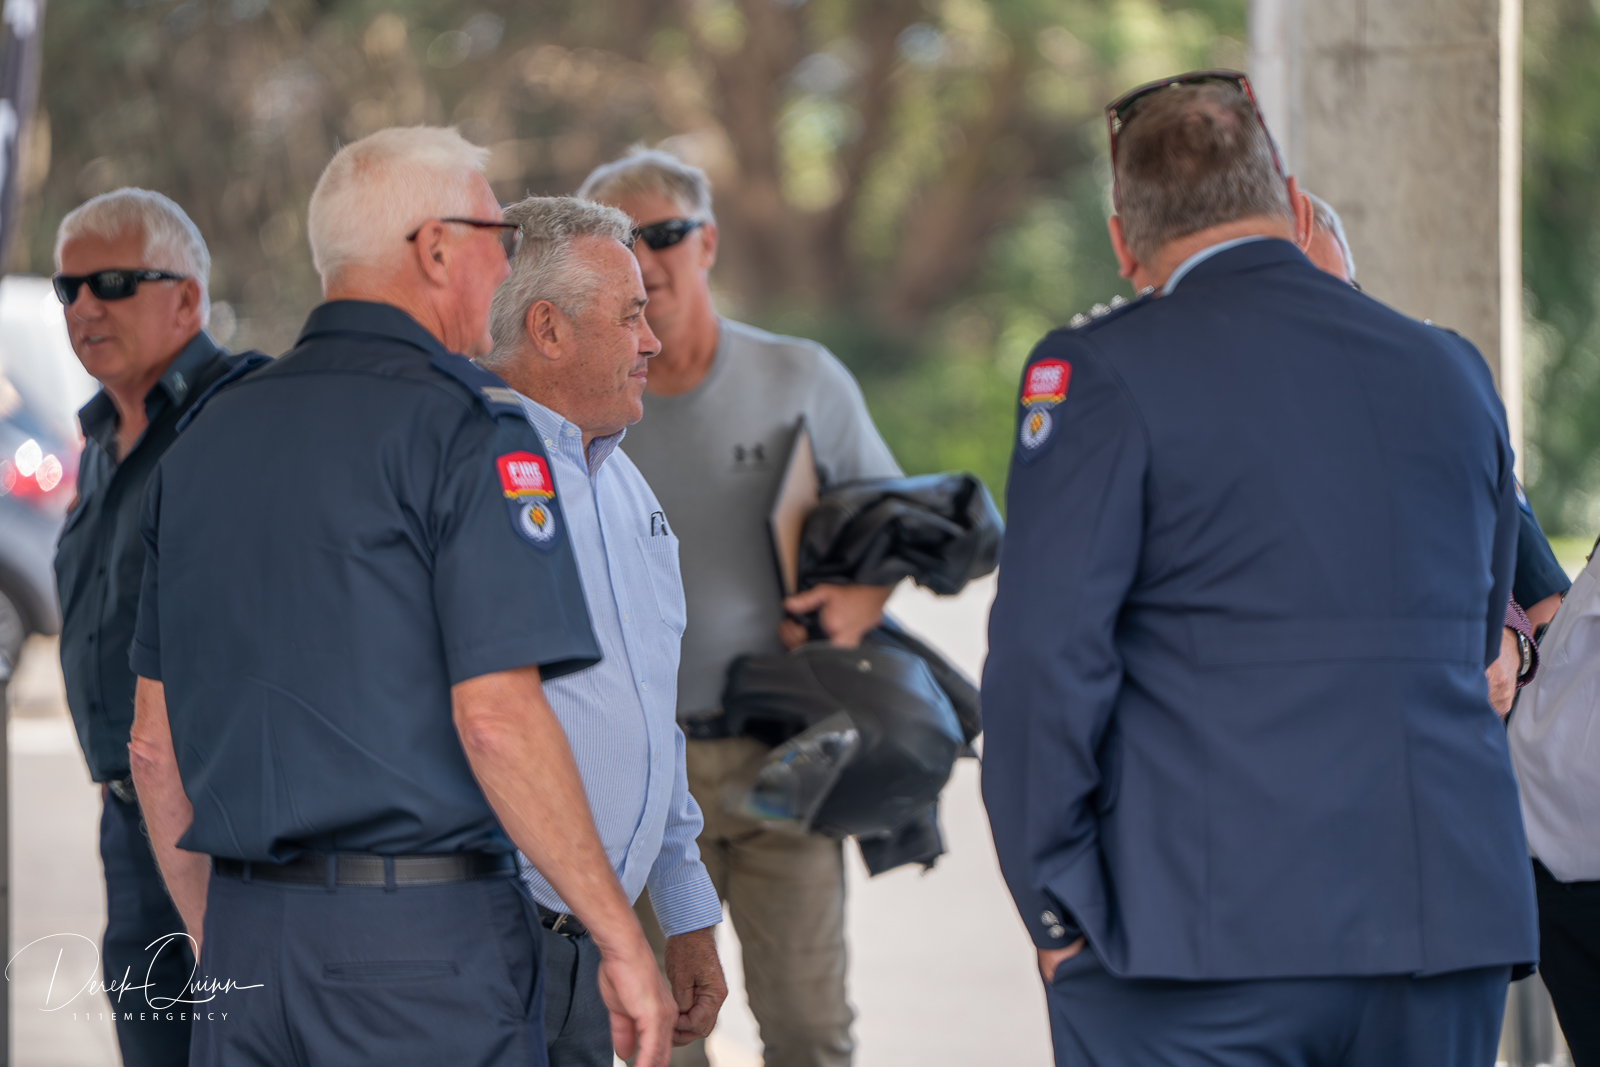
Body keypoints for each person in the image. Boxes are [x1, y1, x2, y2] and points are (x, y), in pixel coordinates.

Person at [982, 72, 1537, 1065]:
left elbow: (1042, 663)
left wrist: (1057, 911)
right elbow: (1479, 622)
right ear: (1287, 199)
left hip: (1204, 943)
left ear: (1123, 241)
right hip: (1443, 920)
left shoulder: (1099, 371)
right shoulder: (1450, 368)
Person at [126, 127, 676, 1067]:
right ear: (435, 249)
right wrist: (619, 935)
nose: (505, 262)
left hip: (247, 939)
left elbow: (152, 744)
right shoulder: (471, 430)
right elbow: (498, 720)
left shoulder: (205, 439)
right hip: (420, 953)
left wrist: (225, 941)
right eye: (496, 235)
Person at [576, 149, 902, 1067]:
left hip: (780, 754)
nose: (644, 258)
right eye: (621, 240)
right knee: (661, 1040)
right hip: (637, 774)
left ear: (708, 241)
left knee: (808, 1030)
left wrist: (853, 603)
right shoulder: (580, 404)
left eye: (664, 233)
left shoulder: (800, 375)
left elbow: (892, 529)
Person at [478, 195, 727, 1064]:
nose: (651, 341)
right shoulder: (464, 473)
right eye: (629, 316)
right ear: (547, 328)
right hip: (487, 943)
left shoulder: (625, 483)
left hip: (587, 944)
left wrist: (685, 910)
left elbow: (650, 711)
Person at [51, 188, 263, 1067]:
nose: (84, 306)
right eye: (68, 288)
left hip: (228, 826)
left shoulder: (243, 412)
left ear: (187, 298)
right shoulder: (102, 435)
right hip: (129, 817)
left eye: (111, 282)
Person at [1297, 191, 1549, 714]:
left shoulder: (1428, 402)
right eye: (1303, 300)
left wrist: (1510, 643)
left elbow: (1537, 596)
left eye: (1343, 295)